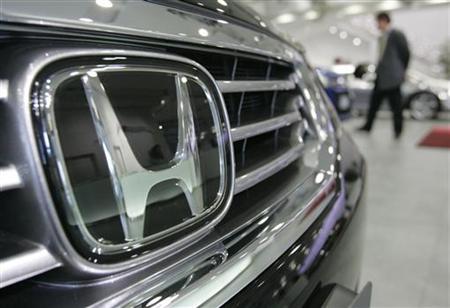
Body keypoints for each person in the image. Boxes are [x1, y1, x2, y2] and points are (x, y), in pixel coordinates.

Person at [359, 12, 410, 138]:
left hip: (393, 77)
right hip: (381, 76)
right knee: (374, 103)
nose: (377, 25)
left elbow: (406, 54)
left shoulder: (396, 34)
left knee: (396, 106)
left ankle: (398, 130)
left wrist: (402, 71)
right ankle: (368, 126)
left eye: (378, 22)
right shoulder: (381, 37)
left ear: (385, 21)